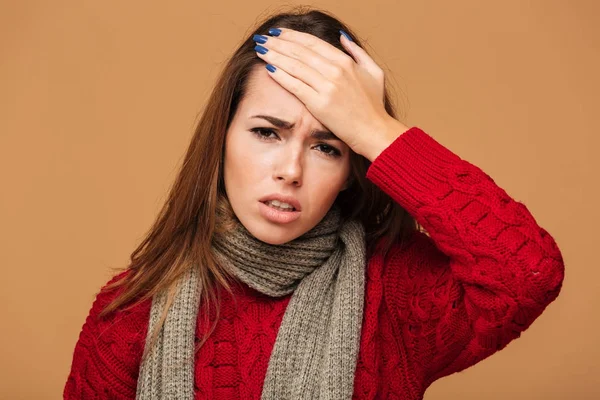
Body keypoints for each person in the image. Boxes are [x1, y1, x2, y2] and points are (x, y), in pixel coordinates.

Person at [63, 7, 565, 400]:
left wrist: (375, 130)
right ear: (222, 139)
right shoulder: (129, 313)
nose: (291, 170)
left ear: (352, 171)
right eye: (266, 132)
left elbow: (528, 271)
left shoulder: (392, 292)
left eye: (328, 146)